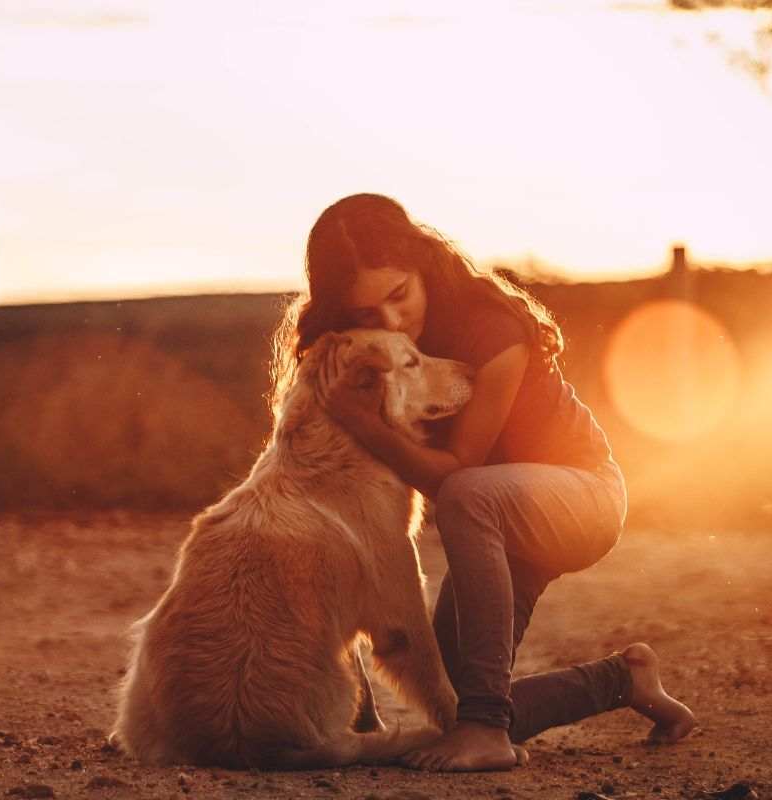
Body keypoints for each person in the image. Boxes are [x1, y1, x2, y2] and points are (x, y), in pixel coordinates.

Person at [270, 193, 695, 772]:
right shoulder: (365, 350)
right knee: (454, 699)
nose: (391, 321)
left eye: (399, 294)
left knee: (469, 495)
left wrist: (362, 423)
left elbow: (458, 473)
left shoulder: (491, 329)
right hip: (498, 516)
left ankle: (487, 733)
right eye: (367, 313)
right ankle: (623, 680)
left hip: (581, 497)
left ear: (422, 262)